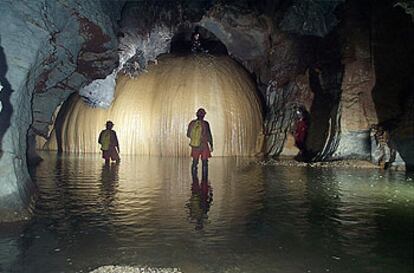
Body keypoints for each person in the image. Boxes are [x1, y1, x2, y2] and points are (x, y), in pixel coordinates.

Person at [187, 108, 213, 175]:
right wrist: (211, 145)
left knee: (195, 162)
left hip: (195, 145)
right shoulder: (206, 123)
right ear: (204, 115)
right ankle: (205, 181)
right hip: (204, 145)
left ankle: (194, 181)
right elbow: (209, 135)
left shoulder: (192, 123)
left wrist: (195, 138)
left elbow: (188, 134)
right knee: (205, 162)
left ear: (196, 114)